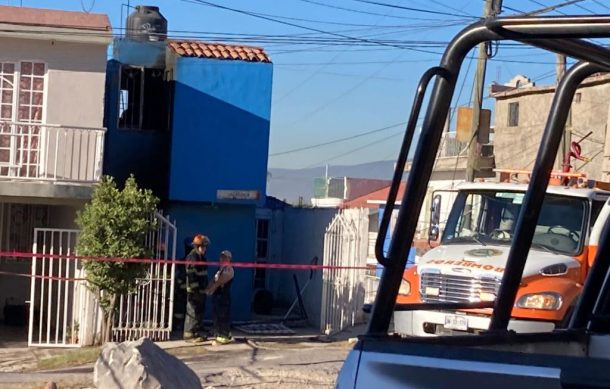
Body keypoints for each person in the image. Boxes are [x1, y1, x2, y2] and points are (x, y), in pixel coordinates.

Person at [183, 234, 210, 342]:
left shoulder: (201, 257)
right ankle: (189, 335)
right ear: (197, 246)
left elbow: (203, 274)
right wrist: (196, 290)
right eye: (203, 246)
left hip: (201, 290)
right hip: (194, 291)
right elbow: (191, 275)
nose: (205, 249)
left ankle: (196, 332)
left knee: (199, 312)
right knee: (192, 312)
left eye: (205, 247)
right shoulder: (192, 257)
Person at [205, 250, 234, 345]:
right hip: (218, 296)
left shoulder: (228, 269)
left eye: (224, 257)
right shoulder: (220, 268)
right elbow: (214, 279)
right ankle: (219, 333)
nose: (222, 259)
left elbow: (220, 281)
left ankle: (223, 336)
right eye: (221, 257)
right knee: (217, 315)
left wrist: (211, 289)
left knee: (222, 316)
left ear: (229, 259)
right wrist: (209, 287)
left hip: (223, 296)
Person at [172, 238, 192, 335]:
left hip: (183, 288)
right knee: (181, 309)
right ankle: (177, 326)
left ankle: (178, 326)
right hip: (183, 288)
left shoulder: (184, 260)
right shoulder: (187, 261)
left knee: (184, 309)